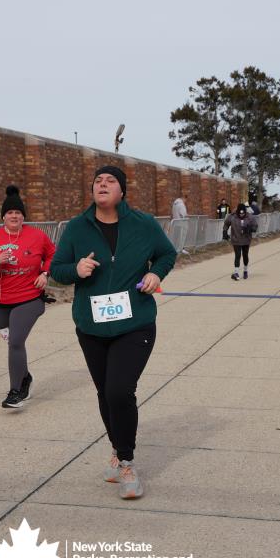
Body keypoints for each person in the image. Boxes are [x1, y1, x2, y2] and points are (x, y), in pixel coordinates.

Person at [50, 166, 177, 499]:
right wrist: (76, 269)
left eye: (110, 181)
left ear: (122, 191)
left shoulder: (144, 224)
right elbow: (56, 269)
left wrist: (156, 274)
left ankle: (126, 462)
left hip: (135, 323)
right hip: (91, 326)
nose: (102, 185)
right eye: (97, 181)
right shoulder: (77, 227)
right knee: (105, 393)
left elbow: (167, 254)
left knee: (120, 391)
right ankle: (118, 450)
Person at [0, 186, 56, 409]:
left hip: (30, 298)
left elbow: (53, 255)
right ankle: (25, 377)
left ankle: (16, 391)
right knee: (12, 343)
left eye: (18, 213)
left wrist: (45, 273)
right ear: (3, 216)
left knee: (16, 342)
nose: (14, 216)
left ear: (23, 217)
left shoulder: (37, 235)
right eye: (10, 213)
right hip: (0, 302)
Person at [223, 203, 258, 280]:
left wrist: (251, 229)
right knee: (237, 255)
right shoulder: (232, 216)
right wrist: (224, 232)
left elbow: (255, 226)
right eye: (240, 213)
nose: (241, 215)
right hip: (236, 239)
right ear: (237, 212)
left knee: (245, 255)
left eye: (243, 213)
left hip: (246, 239)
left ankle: (245, 270)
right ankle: (236, 273)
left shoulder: (250, 217)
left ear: (245, 212)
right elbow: (226, 224)